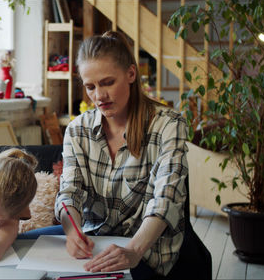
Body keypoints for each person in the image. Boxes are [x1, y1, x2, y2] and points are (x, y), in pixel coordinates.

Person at [54, 31, 188, 279]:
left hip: (147, 248)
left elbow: (166, 198)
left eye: (107, 83)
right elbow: (69, 192)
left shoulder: (168, 125)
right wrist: (72, 233)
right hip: (95, 242)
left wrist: (134, 250)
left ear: (131, 74)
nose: (99, 96)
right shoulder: (77, 130)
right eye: (90, 87)